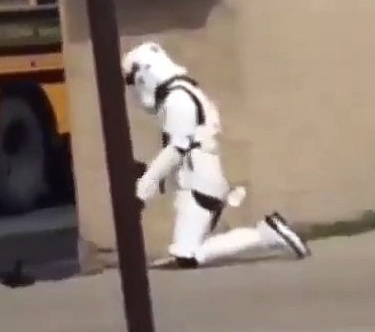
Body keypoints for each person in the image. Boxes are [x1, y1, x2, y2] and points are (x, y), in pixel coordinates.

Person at [123, 41, 311, 267]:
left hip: (200, 182)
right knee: (187, 248)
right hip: (197, 179)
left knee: (188, 255)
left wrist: (143, 189)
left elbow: (176, 149)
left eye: (136, 81)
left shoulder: (178, 98)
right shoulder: (182, 94)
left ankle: (266, 234)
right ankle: (262, 234)